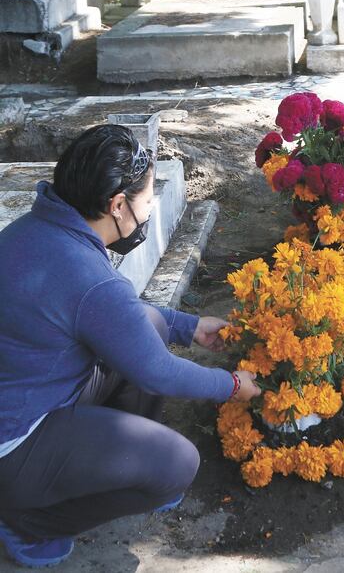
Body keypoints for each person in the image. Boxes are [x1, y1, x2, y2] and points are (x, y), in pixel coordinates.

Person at [0, 125, 261, 568]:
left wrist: (188, 325)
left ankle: (106, 465)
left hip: (30, 395)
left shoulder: (35, 229)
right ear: (116, 205)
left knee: (152, 325)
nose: (147, 211)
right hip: (15, 444)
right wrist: (232, 384)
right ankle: (27, 522)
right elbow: (158, 371)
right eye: (146, 201)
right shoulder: (86, 277)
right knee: (177, 464)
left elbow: (124, 318)